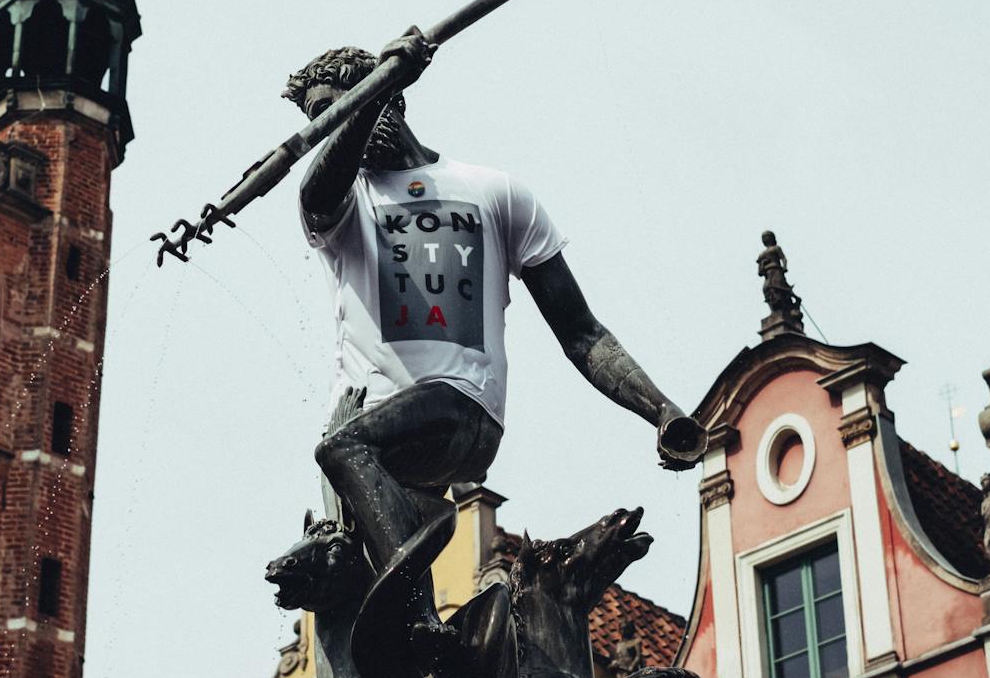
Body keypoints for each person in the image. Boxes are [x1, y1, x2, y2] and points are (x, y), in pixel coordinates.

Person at [285, 30, 699, 583]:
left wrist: (661, 410)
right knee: (340, 589)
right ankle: (422, 626)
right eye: (317, 120)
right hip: (370, 446)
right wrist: (368, 98)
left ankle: (412, 608)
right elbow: (317, 192)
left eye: (334, 107)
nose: (327, 128)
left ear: (388, 92)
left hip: (459, 409)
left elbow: (581, 331)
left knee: (340, 449)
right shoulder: (338, 202)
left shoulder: (494, 192)